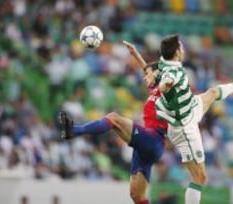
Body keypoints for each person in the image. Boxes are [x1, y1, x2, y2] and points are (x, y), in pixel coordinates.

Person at [59, 42, 166, 204]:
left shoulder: (166, 89)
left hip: (153, 139)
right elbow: (148, 69)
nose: (145, 77)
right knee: (137, 197)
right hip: (145, 147)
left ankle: (74, 130)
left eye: (148, 75)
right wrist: (135, 54)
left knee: (114, 118)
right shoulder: (154, 89)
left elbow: (160, 75)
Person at [155, 35, 233, 204]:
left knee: (211, 93)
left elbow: (160, 67)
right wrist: (164, 86)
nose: (183, 49)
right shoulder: (172, 72)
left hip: (190, 108)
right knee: (200, 177)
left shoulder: (166, 62)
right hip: (184, 127)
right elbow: (167, 81)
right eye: (181, 47)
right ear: (176, 52)